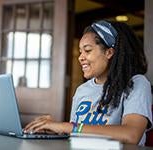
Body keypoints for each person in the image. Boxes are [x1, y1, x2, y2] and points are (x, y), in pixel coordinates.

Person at [24, 20, 152, 145]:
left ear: (109, 52)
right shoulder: (82, 90)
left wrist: (66, 126)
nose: (80, 57)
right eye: (80, 51)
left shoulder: (136, 84)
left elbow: (131, 135)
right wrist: (54, 130)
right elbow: (74, 135)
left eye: (88, 50)